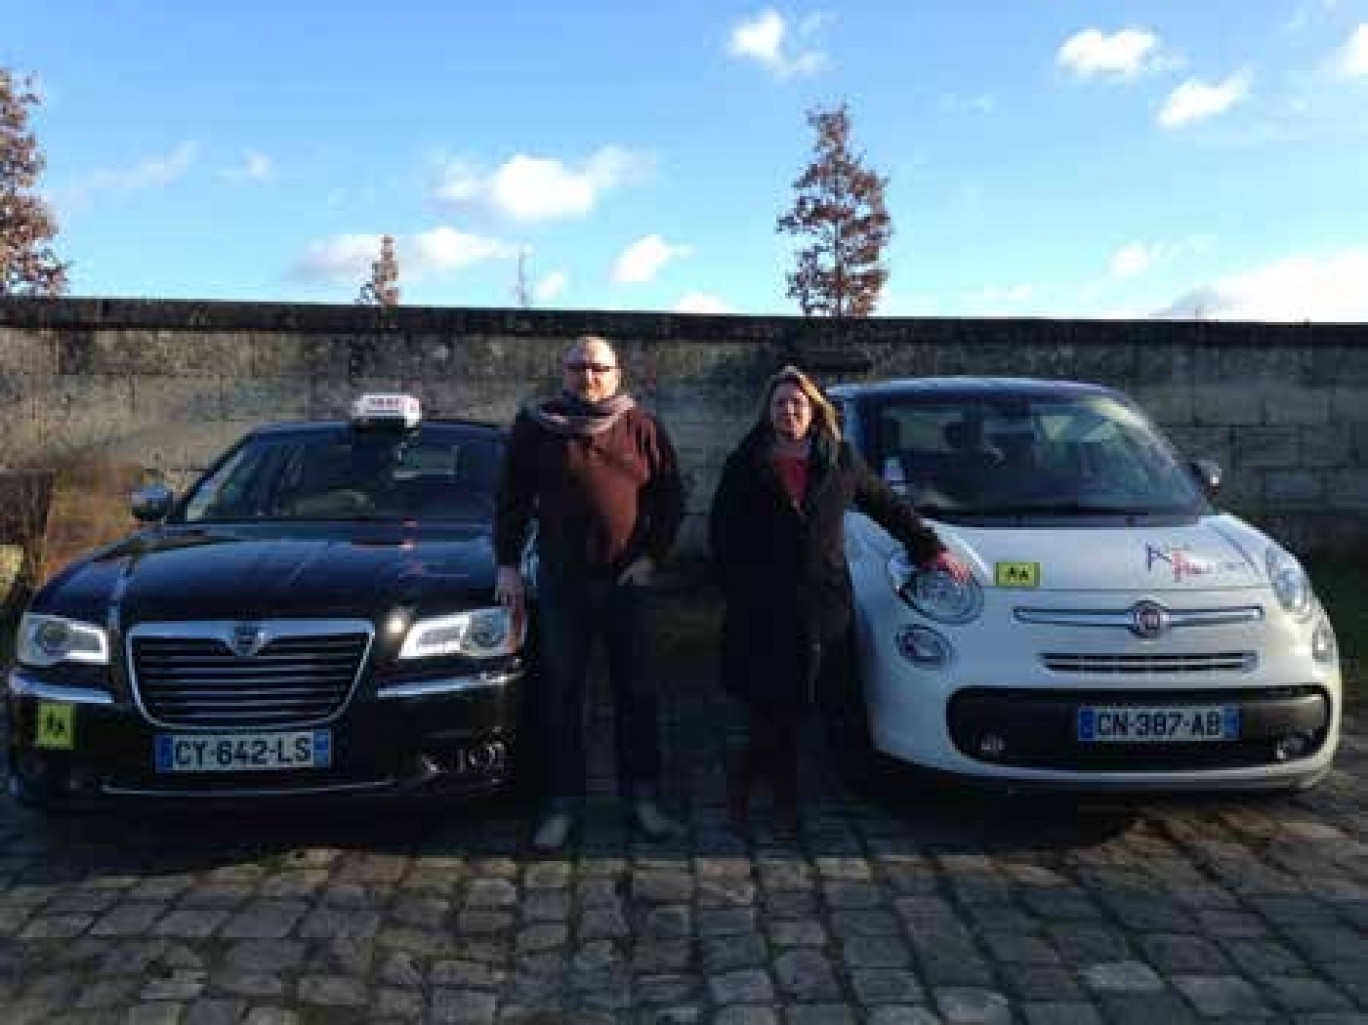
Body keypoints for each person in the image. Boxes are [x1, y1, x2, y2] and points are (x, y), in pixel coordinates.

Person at [708, 366, 969, 840]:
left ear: (814, 409)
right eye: (780, 404)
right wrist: (739, 589)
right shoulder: (746, 460)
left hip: (823, 602)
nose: (789, 411)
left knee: (812, 702)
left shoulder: (841, 458)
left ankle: (747, 781)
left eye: (798, 403)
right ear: (768, 413)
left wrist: (929, 548)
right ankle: (779, 801)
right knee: (774, 705)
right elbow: (722, 533)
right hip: (764, 605)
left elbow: (887, 505)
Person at [494, 335, 686, 851]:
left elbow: (671, 496)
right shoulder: (537, 426)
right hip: (562, 583)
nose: (590, 377)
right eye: (579, 367)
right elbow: (511, 499)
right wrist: (507, 565)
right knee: (560, 696)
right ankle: (562, 804)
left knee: (637, 695)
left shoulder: (642, 426)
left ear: (616, 373)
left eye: (599, 367)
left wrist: (652, 558)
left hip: (626, 584)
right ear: (564, 371)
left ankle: (641, 799)